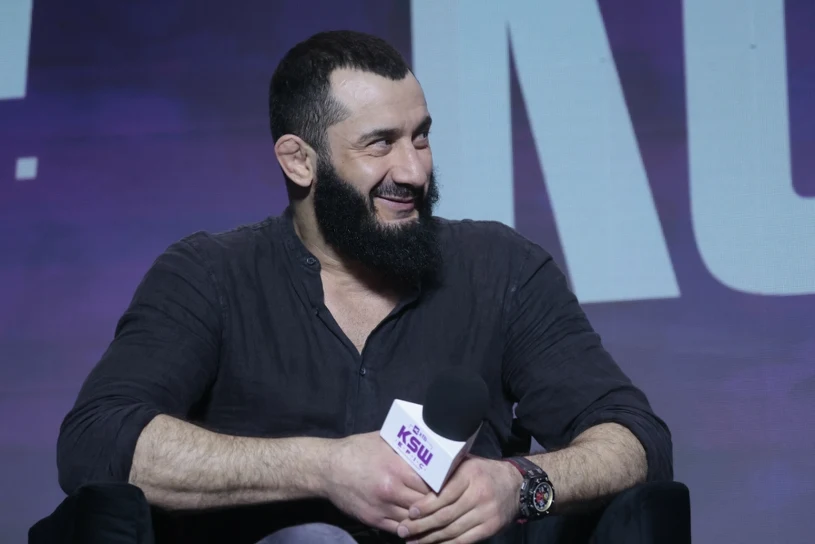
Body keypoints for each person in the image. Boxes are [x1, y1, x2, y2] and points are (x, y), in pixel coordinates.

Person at [56, 30, 672, 544]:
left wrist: (519, 483)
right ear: (299, 161)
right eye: (380, 143)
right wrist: (324, 467)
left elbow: (634, 439)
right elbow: (99, 440)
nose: (414, 169)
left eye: (421, 136)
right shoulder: (209, 275)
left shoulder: (502, 267)